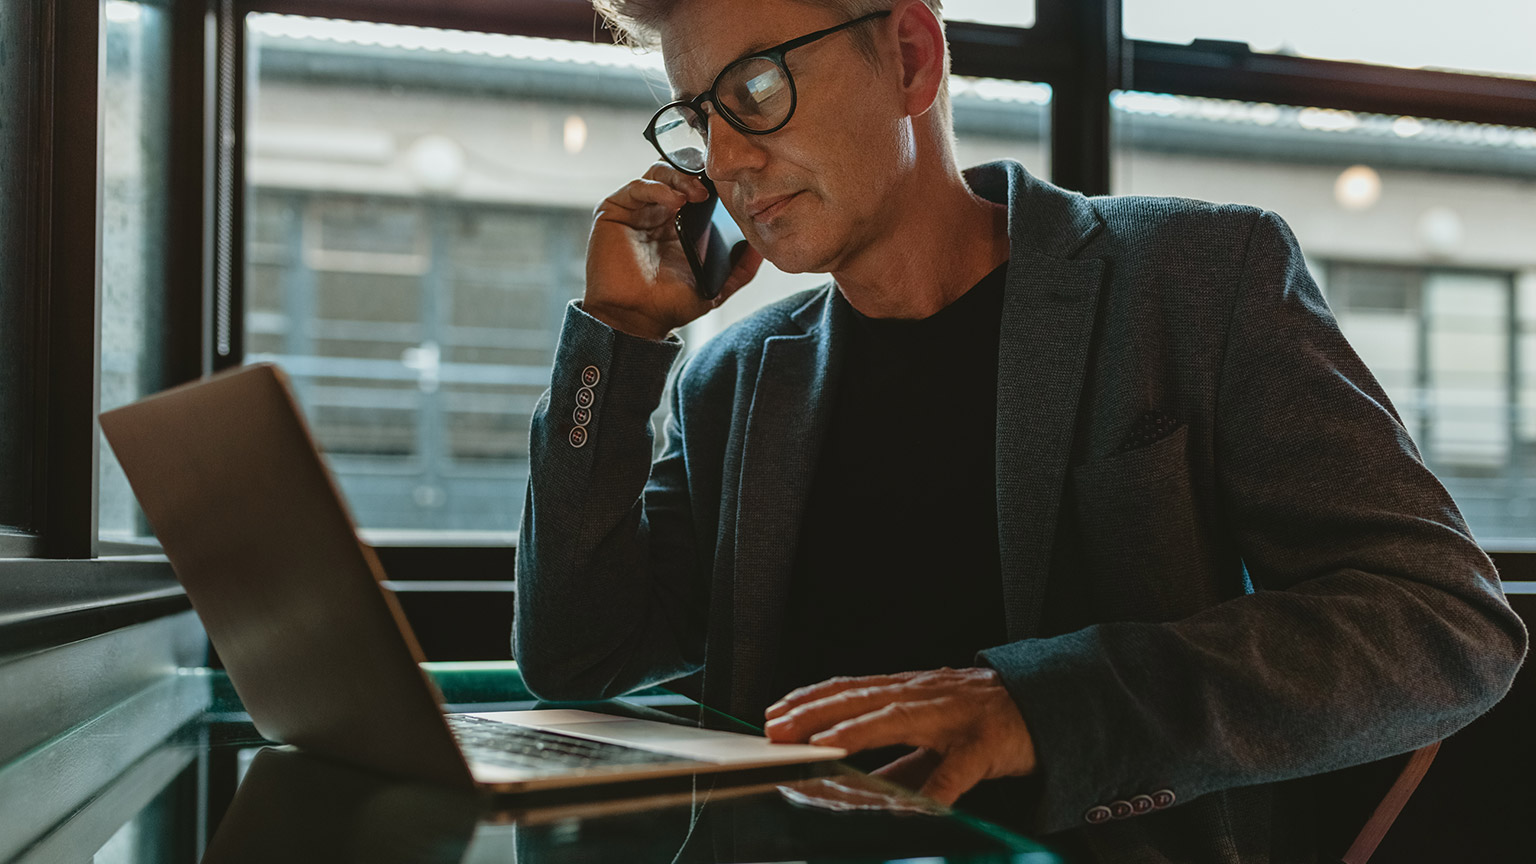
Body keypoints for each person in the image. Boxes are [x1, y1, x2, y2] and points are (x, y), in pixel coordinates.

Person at [513, 0, 1528, 859]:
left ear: (910, 57)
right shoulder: (732, 380)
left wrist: (1041, 704)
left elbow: (1445, 624)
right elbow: (578, 656)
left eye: (758, 92)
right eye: (697, 118)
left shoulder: (1199, 281)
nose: (728, 158)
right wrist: (619, 339)